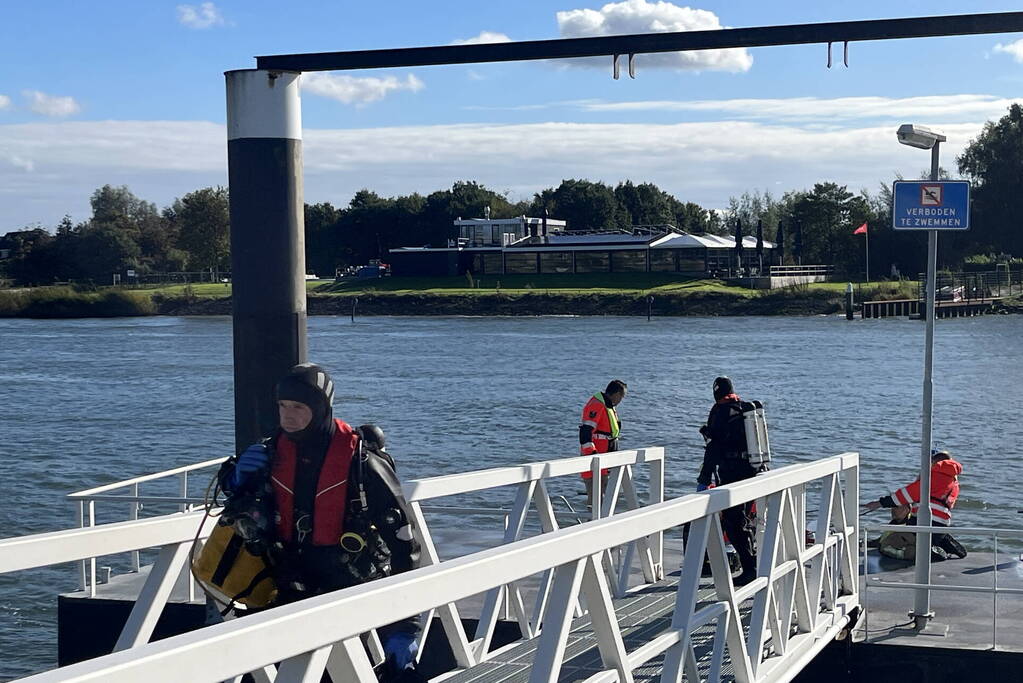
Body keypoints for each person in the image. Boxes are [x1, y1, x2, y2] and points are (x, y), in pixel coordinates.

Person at [219, 363, 422, 679]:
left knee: (345, 672)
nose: (288, 416)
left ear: (321, 408)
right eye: (283, 405)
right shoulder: (271, 453)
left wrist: (406, 624)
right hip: (285, 582)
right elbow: (234, 498)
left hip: (346, 588)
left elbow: (403, 539)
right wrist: (235, 475)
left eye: (298, 407)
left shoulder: (360, 463)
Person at [696, 377, 766, 586]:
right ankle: (754, 564)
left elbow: (714, 447)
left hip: (732, 472)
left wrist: (704, 478)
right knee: (745, 519)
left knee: (733, 522)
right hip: (753, 470)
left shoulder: (720, 411)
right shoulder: (743, 409)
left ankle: (750, 568)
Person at [863, 449, 966, 561]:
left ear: (934, 462)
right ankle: (940, 542)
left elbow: (905, 495)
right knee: (925, 536)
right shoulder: (953, 483)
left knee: (886, 546)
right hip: (941, 525)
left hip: (923, 522)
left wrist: (879, 503)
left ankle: (928, 552)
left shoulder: (932, 477)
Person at [579, 380, 627, 505]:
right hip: (596, 462)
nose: (621, 400)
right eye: (622, 397)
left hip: (605, 462)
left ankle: (601, 516)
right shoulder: (597, 405)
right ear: (616, 394)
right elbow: (585, 432)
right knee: (597, 501)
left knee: (606, 500)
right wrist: (592, 454)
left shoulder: (608, 406)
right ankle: (593, 517)